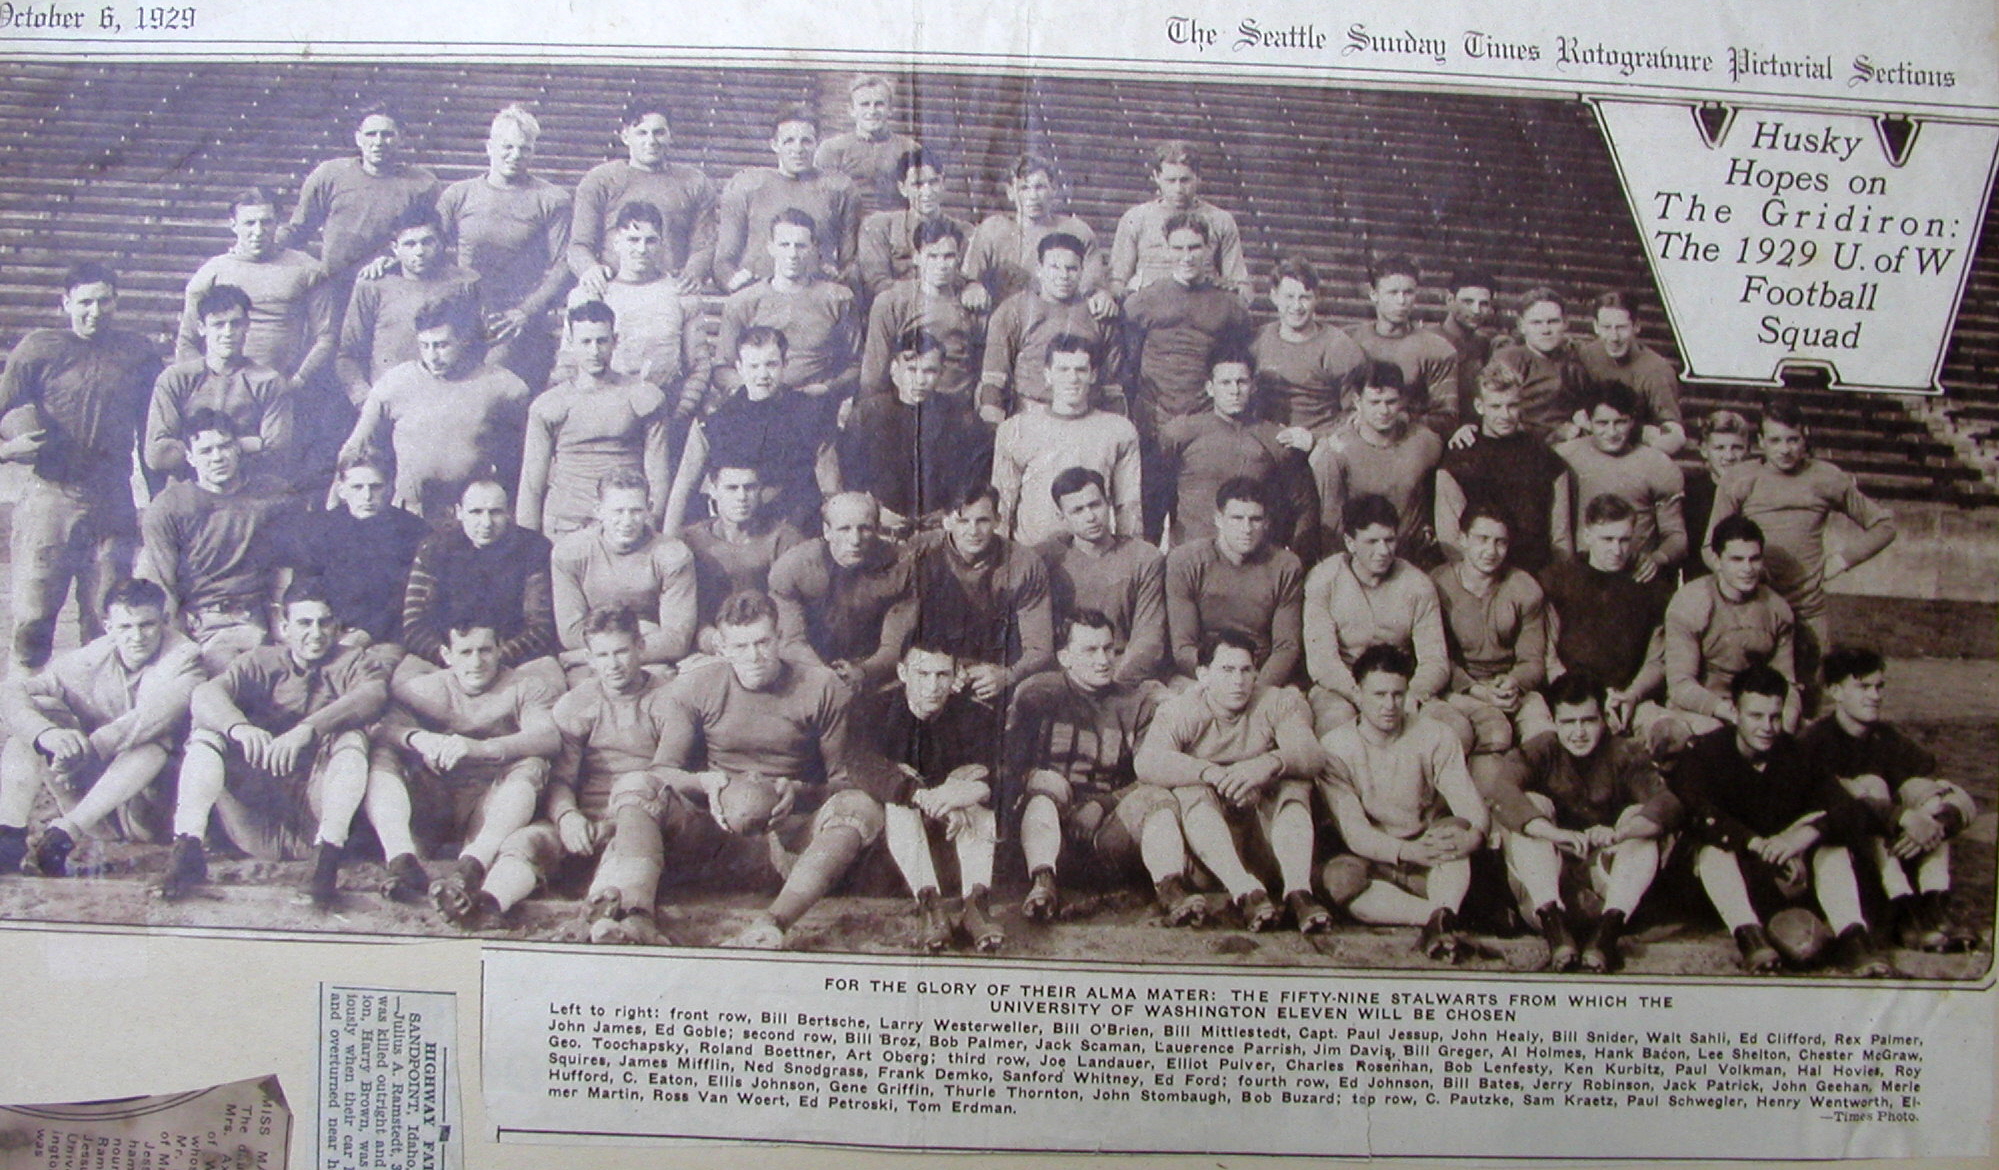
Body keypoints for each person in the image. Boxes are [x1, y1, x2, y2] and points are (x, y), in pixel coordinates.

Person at [639, 589, 883, 950]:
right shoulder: (696, 686)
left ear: (779, 637)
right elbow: (662, 770)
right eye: (739, 647)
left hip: (792, 832)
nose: (753, 656)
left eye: (762, 642)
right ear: (721, 647)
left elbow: (843, 780)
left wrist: (797, 792)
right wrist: (704, 783)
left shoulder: (820, 685)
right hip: (719, 830)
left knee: (861, 806)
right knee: (636, 786)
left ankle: (774, 923)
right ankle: (633, 914)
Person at [154, 583, 391, 908]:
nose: (316, 633)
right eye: (305, 623)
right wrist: (239, 728)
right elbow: (205, 695)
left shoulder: (355, 661)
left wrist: (307, 729)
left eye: (324, 622)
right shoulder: (261, 661)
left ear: (337, 626)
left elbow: (373, 696)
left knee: (352, 737)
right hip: (259, 816)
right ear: (284, 627)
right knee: (207, 736)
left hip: (315, 815)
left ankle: (326, 863)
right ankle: (187, 847)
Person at [1669, 663, 1893, 977]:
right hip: (1727, 882)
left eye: (1775, 716)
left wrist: (1805, 836)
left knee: (1834, 848)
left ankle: (1855, 940)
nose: (1767, 727)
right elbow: (1699, 812)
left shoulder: (1796, 753)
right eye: (1756, 716)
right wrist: (1756, 843)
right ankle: (1751, 941)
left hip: (1784, 876)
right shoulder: (1705, 753)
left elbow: (1849, 809)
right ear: (1734, 712)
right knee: (1712, 851)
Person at [473, 606, 680, 937]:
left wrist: (619, 820)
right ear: (589, 658)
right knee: (527, 840)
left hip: (642, 817)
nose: (613, 664)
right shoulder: (575, 704)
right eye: (602, 655)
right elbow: (561, 779)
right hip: (586, 818)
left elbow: (670, 774)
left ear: (640, 647)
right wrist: (568, 817)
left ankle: (601, 917)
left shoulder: (670, 699)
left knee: (625, 843)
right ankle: (489, 903)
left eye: (621, 651)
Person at [0, 261, 163, 669]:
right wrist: (10, 444)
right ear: (66, 302)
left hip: (112, 496)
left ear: (116, 302)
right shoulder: (40, 347)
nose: (95, 311)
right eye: (85, 302)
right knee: (33, 616)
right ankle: (29, 706)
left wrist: (158, 495)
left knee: (107, 615)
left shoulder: (137, 352)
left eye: (104, 301)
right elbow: (5, 407)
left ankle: (96, 712)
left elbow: (151, 431)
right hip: (52, 494)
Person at [0, 580, 204, 877]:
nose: (137, 637)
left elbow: (150, 719)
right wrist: (48, 735)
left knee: (152, 744)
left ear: (164, 620)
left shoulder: (186, 657)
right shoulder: (90, 657)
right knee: (30, 729)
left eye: (147, 625)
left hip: (154, 808)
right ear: (108, 626)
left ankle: (63, 834)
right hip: (94, 801)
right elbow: (11, 692)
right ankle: (9, 836)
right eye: (125, 627)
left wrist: (83, 751)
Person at [1134, 630, 1334, 932]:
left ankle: (1298, 892)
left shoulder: (1276, 701)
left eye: (1246, 670)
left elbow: (1312, 753)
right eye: (1226, 670)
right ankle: (1244, 892)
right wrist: (1210, 772)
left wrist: (1268, 763)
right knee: (1190, 788)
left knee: (1294, 785)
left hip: (1266, 841)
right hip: (1210, 850)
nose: (1238, 681)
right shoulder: (1181, 709)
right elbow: (1147, 761)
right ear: (1204, 674)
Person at [1705, 398, 1896, 708]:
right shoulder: (1739, 479)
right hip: (1753, 609)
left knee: (1809, 700)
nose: (1785, 449)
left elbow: (1884, 525)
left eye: (1793, 439)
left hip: (1807, 610)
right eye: (1776, 440)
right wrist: (1738, 576)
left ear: (1805, 437)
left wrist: (1842, 560)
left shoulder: (1827, 477)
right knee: (1746, 699)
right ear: (1762, 442)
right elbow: (1708, 547)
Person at [367, 621, 563, 921]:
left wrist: (480, 748)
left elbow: (547, 737)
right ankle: (402, 859)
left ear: (500, 650)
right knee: (384, 754)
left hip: (487, 809)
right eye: (465, 651)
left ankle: (472, 867)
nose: (476, 662)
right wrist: (420, 738)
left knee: (532, 765)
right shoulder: (426, 687)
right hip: (435, 803)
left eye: (485, 650)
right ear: (447, 655)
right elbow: (382, 728)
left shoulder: (524, 685)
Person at [1488, 671, 1681, 973]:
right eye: (1568, 722)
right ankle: (1555, 930)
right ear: (1554, 721)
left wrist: (1619, 833)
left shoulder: (1623, 751)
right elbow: (1502, 790)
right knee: (1533, 807)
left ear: (1604, 718)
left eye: (1588, 721)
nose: (1578, 732)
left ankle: (1606, 936)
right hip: (1546, 890)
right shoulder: (1542, 749)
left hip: (1608, 893)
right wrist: (1554, 833)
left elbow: (1668, 801)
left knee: (1638, 817)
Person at [1006, 611, 1189, 923]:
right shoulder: (1036, 694)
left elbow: (1149, 774)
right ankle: (1043, 882)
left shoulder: (1136, 702)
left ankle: (1171, 887)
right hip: (1053, 831)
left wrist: (1102, 805)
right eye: (1090, 651)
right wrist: (1034, 778)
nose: (1104, 660)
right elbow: (1008, 768)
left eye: (1109, 649)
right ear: (1064, 656)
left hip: (1109, 830)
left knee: (1158, 798)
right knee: (1041, 794)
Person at [1801, 646, 1980, 953]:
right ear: (1835, 691)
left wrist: (1936, 822)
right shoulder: (1814, 743)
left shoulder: (1887, 738)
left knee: (1930, 800)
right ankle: (1903, 912)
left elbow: (1951, 794)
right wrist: (1900, 817)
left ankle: (1934, 906)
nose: (1875, 696)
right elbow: (1837, 811)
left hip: (1894, 853)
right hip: (1844, 864)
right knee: (1870, 789)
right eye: (1863, 687)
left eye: (1879, 686)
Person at [1318, 644, 1490, 962]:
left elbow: (1468, 802)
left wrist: (1474, 835)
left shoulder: (1436, 735)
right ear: (1358, 693)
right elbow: (1354, 832)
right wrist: (1403, 851)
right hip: (1375, 856)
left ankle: (1443, 911)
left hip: (1429, 852)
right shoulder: (1336, 747)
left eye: (1398, 694)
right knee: (1340, 880)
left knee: (1454, 832)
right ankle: (1439, 918)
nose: (1389, 705)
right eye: (1379, 694)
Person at [852, 640, 1007, 952]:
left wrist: (966, 790)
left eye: (942, 675)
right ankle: (930, 906)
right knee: (900, 803)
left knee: (977, 798)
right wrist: (921, 795)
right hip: (901, 842)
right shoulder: (875, 709)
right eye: (923, 674)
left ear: (955, 677)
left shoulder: (975, 715)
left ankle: (976, 905)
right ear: (903, 672)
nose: (933, 686)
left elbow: (1003, 770)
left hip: (956, 834)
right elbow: (861, 764)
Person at [338, 297, 532, 519]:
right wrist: (333, 511)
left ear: (464, 340)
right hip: (409, 514)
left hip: (472, 518)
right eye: (425, 346)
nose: (432, 356)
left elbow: (525, 458)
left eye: (441, 345)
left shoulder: (504, 386)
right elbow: (355, 447)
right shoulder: (395, 382)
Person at [1122, 214, 1254, 537]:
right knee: (1149, 520)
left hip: (1202, 420)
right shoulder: (1141, 302)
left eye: (1195, 247)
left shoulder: (1229, 306)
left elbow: (1235, 364)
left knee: (1200, 519)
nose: (1187, 255)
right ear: (1166, 249)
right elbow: (1128, 365)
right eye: (1178, 247)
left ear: (1208, 249)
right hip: (1154, 421)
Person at [137, 409, 297, 669]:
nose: (217, 458)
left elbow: (289, 566)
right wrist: (179, 644)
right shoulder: (171, 506)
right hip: (203, 621)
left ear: (237, 449)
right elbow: (163, 586)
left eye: (224, 447)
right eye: (206, 451)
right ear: (189, 457)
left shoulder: (270, 495)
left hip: (259, 615)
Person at [435, 104, 574, 391]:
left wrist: (525, 312)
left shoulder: (551, 199)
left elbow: (564, 264)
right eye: (507, 147)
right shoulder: (459, 195)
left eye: (524, 149)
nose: (515, 156)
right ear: (489, 147)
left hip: (518, 319)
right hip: (466, 313)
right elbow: (429, 246)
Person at [1636, 514, 1800, 753]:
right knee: (1705, 739)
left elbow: (1786, 683)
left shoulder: (1777, 609)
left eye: (1754, 559)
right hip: (1702, 711)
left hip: (1757, 714)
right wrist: (1729, 713)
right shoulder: (1691, 603)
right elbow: (1681, 686)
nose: (1747, 569)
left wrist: (1786, 722)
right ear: (1717, 560)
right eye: (1736, 559)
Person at [1300, 494, 1458, 740]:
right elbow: (1322, 662)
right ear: (1350, 542)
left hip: (1401, 686)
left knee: (1454, 729)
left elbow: (1435, 661)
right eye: (1372, 541)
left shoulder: (1418, 585)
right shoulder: (1324, 580)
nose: (1383, 551)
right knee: (1336, 727)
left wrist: (1412, 694)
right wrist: (1359, 695)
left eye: (1389, 540)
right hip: (1342, 688)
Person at [667, 325, 841, 536]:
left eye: (771, 365)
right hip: (735, 527)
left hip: (796, 525)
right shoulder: (716, 419)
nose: (763, 374)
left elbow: (831, 488)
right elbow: (684, 487)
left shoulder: (811, 413)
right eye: (754, 366)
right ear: (739, 368)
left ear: (785, 364)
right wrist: (669, 542)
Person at [518, 300, 672, 536]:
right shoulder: (550, 405)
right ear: (571, 343)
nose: (594, 351)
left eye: (601, 341)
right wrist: (527, 544)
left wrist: (650, 526)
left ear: (615, 340)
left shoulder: (643, 397)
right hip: (567, 523)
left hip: (625, 522)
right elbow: (531, 486)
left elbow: (658, 477)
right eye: (586, 342)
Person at [907, 483, 1056, 702]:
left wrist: (1008, 675)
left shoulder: (1023, 564)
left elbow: (1040, 648)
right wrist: (938, 670)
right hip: (933, 665)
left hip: (994, 669)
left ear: (997, 519)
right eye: (963, 520)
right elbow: (901, 627)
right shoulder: (921, 552)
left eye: (982, 520)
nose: (973, 531)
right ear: (947, 521)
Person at [176, 188, 335, 392]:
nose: (258, 231)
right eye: (249, 223)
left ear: (277, 223)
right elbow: (187, 342)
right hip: (224, 390)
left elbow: (326, 336)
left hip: (282, 387)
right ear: (233, 225)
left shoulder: (308, 269)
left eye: (266, 222)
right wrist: (207, 386)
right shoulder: (212, 273)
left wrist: (299, 380)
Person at [282, 104, 442, 306]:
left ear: (401, 138)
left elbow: (433, 241)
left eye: (387, 135)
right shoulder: (330, 174)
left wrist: (393, 260)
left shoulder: (422, 183)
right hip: (335, 286)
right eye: (371, 134)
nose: (378, 142)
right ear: (358, 138)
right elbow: (299, 228)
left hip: (392, 286)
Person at [1158, 346, 1315, 551]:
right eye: (1225, 383)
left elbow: (1302, 504)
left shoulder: (1275, 438)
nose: (1234, 390)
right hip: (1194, 558)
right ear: (1210, 388)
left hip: (1252, 560)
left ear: (1253, 386)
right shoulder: (1181, 432)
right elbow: (1157, 495)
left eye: (1242, 382)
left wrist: (1297, 557)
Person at [991, 334, 1142, 547]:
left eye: (1080, 370)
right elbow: (1002, 507)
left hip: (1092, 557)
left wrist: (1130, 558)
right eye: (1063, 370)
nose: (1072, 378)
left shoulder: (1118, 430)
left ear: (1093, 375)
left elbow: (1128, 506)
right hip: (1034, 556)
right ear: (1048, 375)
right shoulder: (1016, 429)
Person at [1430, 501, 1553, 755]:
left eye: (1500, 542)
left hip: (1508, 688)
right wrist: (1475, 689)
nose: (1491, 550)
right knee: (1492, 735)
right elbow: (1435, 657)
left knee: (1543, 733)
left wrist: (1513, 683)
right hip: (1458, 688)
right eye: (1482, 539)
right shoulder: (1437, 584)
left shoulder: (1524, 588)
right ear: (1462, 539)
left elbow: (1532, 660)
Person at [839, 328, 992, 531]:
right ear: (894, 370)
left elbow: (977, 472)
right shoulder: (867, 415)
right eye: (911, 370)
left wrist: (954, 511)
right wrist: (873, 510)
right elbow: (851, 473)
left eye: (930, 371)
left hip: (942, 527)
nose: (920, 380)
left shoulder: (962, 418)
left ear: (941, 373)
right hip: (880, 526)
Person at [275, 449, 429, 650]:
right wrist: (324, 630)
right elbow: (306, 588)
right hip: (326, 631)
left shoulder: (413, 531)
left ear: (390, 488)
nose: (367, 496)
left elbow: (407, 598)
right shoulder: (319, 529)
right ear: (341, 490)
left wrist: (368, 632)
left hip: (388, 636)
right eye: (357, 487)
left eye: (375, 487)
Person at [1540, 494, 1668, 733]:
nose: (1616, 550)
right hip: (1573, 697)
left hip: (1631, 698)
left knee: (1670, 731)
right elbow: (1550, 658)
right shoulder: (1559, 580)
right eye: (1607, 539)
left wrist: (1632, 695)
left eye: (1624, 540)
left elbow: (1657, 659)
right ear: (1587, 535)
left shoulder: (1650, 586)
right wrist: (1591, 698)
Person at [402, 477, 558, 670]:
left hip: (513, 664)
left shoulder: (533, 548)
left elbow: (540, 627)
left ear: (509, 512)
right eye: (476, 512)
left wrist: (489, 661)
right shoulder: (433, 548)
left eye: (495, 512)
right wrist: (450, 658)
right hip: (447, 662)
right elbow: (413, 624)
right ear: (459, 512)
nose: (486, 523)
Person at [568, 98, 717, 299]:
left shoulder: (694, 182)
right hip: (614, 289)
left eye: (659, 132)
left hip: (669, 290)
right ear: (625, 136)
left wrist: (693, 273)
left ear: (670, 136)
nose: (651, 141)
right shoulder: (600, 180)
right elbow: (579, 244)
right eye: (642, 133)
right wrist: (590, 269)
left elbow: (704, 245)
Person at [147, 283, 295, 485]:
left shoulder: (268, 382)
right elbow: (158, 456)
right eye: (218, 324)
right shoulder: (176, 379)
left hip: (250, 490)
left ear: (247, 326)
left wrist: (198, 449)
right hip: (188, 488)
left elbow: (278, 453)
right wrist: (249, 444)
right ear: (201, 328)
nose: (228, 332)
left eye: (236, 324)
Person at [550, 470, 698, 671]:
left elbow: (677, 641)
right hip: (604, 661)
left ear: (649, 509)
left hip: (653, 661)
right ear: (598, 510)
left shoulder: (673, 554)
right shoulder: (571, 552)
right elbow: (571, 634)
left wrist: (597, 651)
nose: (627, 521)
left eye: (636, 511)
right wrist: (642, 630)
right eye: (617, 511)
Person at [769, 493, 917, 693]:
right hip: (810, 670)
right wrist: (825, 674)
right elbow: (792, 641)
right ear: (827, 531)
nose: (855, 539)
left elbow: (895, 644)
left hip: (876, 672)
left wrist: (864, 671)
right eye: (844, 529)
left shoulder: (900, 565)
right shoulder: (794, 568)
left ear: (877, 529)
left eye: (864, 528)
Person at [1165, 477, 1304, 688]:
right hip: (1203, 676)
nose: (1246, 529)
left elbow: (1286, 647)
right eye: (1237, 518)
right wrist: (1222, 683)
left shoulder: (1285, 566)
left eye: (1255, 519)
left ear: (1267, 522)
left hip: (1259, 676)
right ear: (1218, 519)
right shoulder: (1186, 561)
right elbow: (1183, 647)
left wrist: (1253, 687)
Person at [558, 201, 696, 413]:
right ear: (616, 242)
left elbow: (698, 367)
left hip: (664, 406)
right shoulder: (590, 294)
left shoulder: (680, 295)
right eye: (633, 240)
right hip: (599, 408)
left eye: (650, 241)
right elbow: (567, 364)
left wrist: (683, 411)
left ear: (661, 243)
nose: (641, 249)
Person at [1435, 359, 1571, 574]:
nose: (1505, 415)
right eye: (1496, 406)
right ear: (1480, 406)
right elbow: (1450, 538)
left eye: (1512, 405)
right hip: (1480, 576)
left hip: (1535, 574)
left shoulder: (1544, 456)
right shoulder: (1460, 458)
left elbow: (1560, 535)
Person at [333, 205, 479, 405]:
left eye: (427, 242)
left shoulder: (465, 284)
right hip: (391, 401)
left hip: (448, 402)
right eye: (410, 244)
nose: (419, 252)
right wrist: (366, 401)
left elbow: (479, 345)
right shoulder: (373, 285)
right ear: (395, 248)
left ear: (442, 243)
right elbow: (348, 354)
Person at [1035, 467, 1167, 686]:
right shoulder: (1045, 559)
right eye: (1077, 510)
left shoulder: (1144, 558)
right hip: (1067, 678)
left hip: (1124, 675)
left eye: (1095, 505)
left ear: (1108, 503)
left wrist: (1109, 684)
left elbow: (1149, 642)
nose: (1090, 517)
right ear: (1062, 516)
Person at [712, 210, 861, 402]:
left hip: (816, 404)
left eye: (800, 246)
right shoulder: (743, 301)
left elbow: (856, 364)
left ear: (813, 248)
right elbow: (722, 369)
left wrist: (826, 388)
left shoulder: (838, 299)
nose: (792, 254)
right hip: (758, 404)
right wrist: (756, 389)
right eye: (784, 245)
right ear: (771, 248)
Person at [713, 104, 860, 291]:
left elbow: (850, 260)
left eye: (806, 141)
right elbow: (724, 260)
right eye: (789, 141)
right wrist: (735, 282)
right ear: (774, 144)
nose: (798, 149)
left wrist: (839, 277)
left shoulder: (839, 188)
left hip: (815, 295)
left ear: (818, 143)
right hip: (759, 292)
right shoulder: (746, 186)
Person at [977, 230, 1120, 421]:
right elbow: (994, 379)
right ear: (1039, 269)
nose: (1063, 276)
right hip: (1030, 414)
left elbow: (1112, 386)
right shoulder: (1013, 310)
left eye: (1071, 268)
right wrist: (995, 428)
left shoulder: (1098, 313)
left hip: (1085, 418)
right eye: (1054, 267)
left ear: (1082, 270)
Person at [1309, 361, 1442, 562]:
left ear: (1402, 400)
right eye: (1374, 402)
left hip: (1413, 560)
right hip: (1361, 564)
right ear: (1357, 401)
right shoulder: (1335, 452)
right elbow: (1330, 527)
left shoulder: (1425, 442)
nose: (1384, 411)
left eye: (1391, 402)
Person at [1555, 380, 1686, 583]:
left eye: (1620, 422)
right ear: (1588, 421)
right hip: (1580, 576)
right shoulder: (1565, 456)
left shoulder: (1656, 464)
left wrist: (1656, 559)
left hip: (1634, 577)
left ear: (1632, 421)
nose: (1612, 432)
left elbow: (1676, 536)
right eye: (1602, 423)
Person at [678, 461, 807, 654]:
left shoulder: (785, 539)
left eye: (750, 488)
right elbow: (687, 614)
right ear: (712, 489)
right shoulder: (691, 541)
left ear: (761, 490)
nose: (741, 497)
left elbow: (795, 613)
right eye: (732, 488)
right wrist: (713, 640)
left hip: (771, 647)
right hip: (713, 648)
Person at [961, 154, 1112, 314]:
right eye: (1024, 188)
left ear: (1053, 188)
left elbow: (1095, 286)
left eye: (1040, 187)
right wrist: (973, 287)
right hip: (1003, 317)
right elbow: (970, 278)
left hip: (1058, 317)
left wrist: (1101, 295)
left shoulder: (1077, 231)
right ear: (1010, 192)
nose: (1033, 196)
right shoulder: (992, 229)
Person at [1108, 140, 1252, 302]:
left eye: (1185, 180)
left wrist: (1233, 291)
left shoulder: (1220, 220)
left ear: (1198, 177)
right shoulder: (1136, 218)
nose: (1178, 189)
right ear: (1156, 177)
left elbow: (1241, 285)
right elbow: (1117, 280)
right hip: (1150, 309)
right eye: (1171, 180)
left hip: (1202, 310)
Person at [861, 217, 982, 402]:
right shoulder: (893, 301)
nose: (941, 265)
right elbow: (874, 370)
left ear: (959, 258)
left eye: (948, 256)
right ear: (917, 258)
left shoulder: (970, 300)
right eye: (932, 256)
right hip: (906, 403)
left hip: (955, 405)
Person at [1250, 256, 1367, 434]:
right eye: (1289, 297)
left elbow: (1357, 415)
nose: (1296, 306)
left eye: (1304, 297)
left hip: (1320, 447)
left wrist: (1316, 439)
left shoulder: (1339, 347)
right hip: (1266, 442)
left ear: (1317, 297)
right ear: (1274, 297)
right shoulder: (1257, 341)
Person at [1344, 255, 1458, 434]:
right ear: (1374, 294)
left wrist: (1403, 419)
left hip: (1408, 440)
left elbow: (1447, 416)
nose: (1401, 301)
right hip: (1352, 437)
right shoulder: (1347, 341)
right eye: (1393, 292)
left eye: (1408, 292)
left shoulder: (1437, 349)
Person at [1575, 291, 1686, 454]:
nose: (1614, 337)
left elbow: (1673, 435)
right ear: (1596, 327)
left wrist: (1637, 432)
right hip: (1589, 448)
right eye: (1606, 327)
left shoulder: (1656, 370)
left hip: (1634, 452)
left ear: (1636, 326)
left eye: (1621, 327)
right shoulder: (1585, 356)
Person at [855, 146, 973, 299]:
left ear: (943, 182)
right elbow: (877, 282)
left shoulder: (963, 231)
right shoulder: (881, 227)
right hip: (898, 307)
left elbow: (967, 279)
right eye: (917, 185)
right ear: (902, 188)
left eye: (933, 182)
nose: (927, 192)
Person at [1481, 286, 1587, 441]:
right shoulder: (1508, 359)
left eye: (1553, 321)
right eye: (1536, 323)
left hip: (1568, 442)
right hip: (1519, 442)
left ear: (1565, 323)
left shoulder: (1575, 360)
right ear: (1522, 326)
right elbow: (1497, 416)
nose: (1545, 330)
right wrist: (1553, 435)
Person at [814, 75, 923, 220]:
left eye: (879, 104)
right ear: (851, 110)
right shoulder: (832, 149)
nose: (872, 111)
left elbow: (921, 199)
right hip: (848, 228)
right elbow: (821, 201)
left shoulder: (910, 149)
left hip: (895, 229)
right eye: (865, 104)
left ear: (890, 109)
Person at [1679, 409, 1754, 583]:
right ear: (1704, 450)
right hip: (1701, 586)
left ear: (1748, 450)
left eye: (1736, 448)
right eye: (1719, 448)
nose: (1728, 456)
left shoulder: (1757, 489)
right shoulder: (1689, 492)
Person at [1438, 268, 1499, 423]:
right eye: (1468, 302)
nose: (1476, 310)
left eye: (1484, 304)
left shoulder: (1485, 344)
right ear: (1450, 300)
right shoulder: (1429, 340)